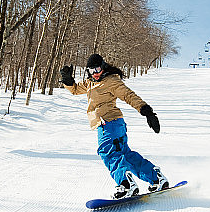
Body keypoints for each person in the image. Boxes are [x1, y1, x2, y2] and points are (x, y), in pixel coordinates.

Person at [60, 53, 168, 199]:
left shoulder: (111, 81)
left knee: (107, 152)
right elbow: (74, 89)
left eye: (98, 69)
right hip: (114, 124)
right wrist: (67, 79)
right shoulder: (90, 83)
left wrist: (147, 111)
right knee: (125, 155)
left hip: (108, 124)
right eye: (92, 70)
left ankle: (125, 184)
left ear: (103, 67)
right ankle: (156, 178)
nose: (95, 73)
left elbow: (128, 95)